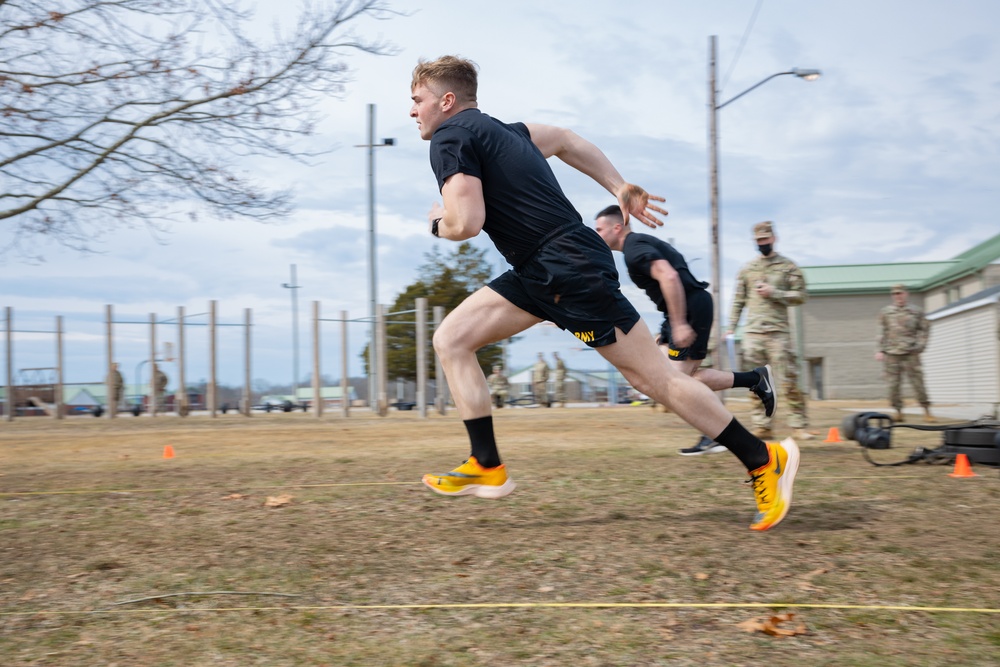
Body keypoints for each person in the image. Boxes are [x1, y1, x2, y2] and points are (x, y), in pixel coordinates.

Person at [411, 55, 798, 531]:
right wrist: (618, 185)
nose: (413, 111)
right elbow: (569, 141)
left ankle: (763, 458)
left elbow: (466, 223)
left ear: (446, 101)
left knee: (657, 379)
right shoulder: (510, 131)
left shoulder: (451, 137)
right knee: (452, 339)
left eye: (418, 99)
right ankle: (486, 464)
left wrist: (436, 224)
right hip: (538, 270)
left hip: (564, 268)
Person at [594, 205, 776, 455]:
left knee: (675, 384)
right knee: (668, 375)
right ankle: (754, 380)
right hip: (682, 308)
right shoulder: (637, 245)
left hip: (690, 309)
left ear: (617, 227)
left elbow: (669, 277)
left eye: (599, 229)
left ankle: (718, 428)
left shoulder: (634, 249)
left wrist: (679, 323)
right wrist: (669, 326)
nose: (596, 234)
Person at [727, 221, 812, 441]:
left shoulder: (788, 267)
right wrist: (731, 327)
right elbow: (738, 301)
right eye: (758, 241)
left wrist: (775, 292)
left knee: (789, 379)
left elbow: (801, 295)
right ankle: (762, 425)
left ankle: (799, 425)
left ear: (774, 238)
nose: (762, 243)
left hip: (778, 333)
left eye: (765, 239)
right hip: (753, 333)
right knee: (757, 382)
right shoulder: (747, 270)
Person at [875, 284, 934, 423]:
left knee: (918, 383)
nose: (898, 296)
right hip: (892, 353)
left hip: (911, 353)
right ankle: (898, 412)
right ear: (892, 296)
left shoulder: (916, 311)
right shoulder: (886, 312)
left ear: (906, 294)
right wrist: (879, 350)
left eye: (900, 293)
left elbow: (925, 330)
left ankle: (927, 411)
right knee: (893, 385)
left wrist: (920, 346)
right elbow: (881, 332)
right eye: (895, 294)